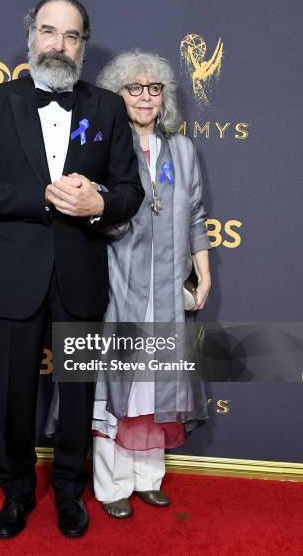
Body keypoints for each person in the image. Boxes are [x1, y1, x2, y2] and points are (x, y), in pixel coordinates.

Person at [0, 0, 144, 539]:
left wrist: (101, 203)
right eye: (49, 31)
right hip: (17, 275)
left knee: (78, 391)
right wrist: (43, 198)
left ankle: (68, 490)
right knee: (15, 392)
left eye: (71, 36)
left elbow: (130, 192)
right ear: (31, 35)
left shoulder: (107, 107)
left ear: (83, 44)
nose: (59, 45)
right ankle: (15, 493)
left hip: (82, 275)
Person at [92, 50, 212, 518]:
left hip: (167, 294)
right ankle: (111, 485)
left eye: (155, 88)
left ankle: (148, 479)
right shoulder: (103, 149)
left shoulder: (182, 149)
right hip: (120, 290)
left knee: (157, 386)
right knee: (119, 385)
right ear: (117, 95)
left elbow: (197, 215)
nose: (146, 97)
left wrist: (203, 272)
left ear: (165, 97)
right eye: (134, 88)